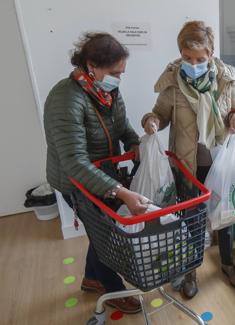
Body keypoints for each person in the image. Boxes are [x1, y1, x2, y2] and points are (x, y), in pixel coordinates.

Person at [43, 32, 147, 314]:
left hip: (104, 175)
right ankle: (113, 290)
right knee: (105, 236)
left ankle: (91, 278)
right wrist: (122, 192)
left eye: (121, 73)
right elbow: (75, 162)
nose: (119, 79)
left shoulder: (107, 90)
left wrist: (136, 142)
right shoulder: (65, 99)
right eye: (114, 72)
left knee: (101, 230)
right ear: (92, 65)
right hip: (75, 181)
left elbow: (123, 126)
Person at [142, 21, 235, 298]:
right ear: (180, 52)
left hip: (219, 159)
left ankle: (226, 263)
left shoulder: (225, 77)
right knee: (192, 220)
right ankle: (191, 272)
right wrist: (152, 121)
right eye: (187, 57)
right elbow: (160, 114)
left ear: (211, 53)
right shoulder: (173, 80)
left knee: (226, 215)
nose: (193, 63)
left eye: (200, 58)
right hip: (188, 165)